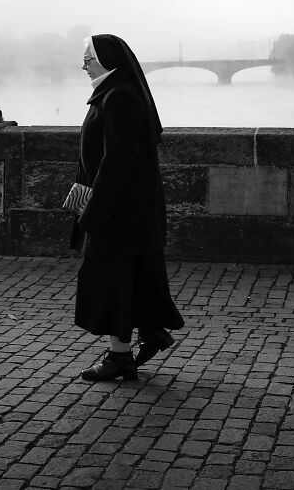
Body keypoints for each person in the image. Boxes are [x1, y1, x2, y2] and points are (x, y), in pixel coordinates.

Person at [66, 34, 184, 381]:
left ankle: (120, 356)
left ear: (105, 59)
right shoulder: (117, 91)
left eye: (88, 59)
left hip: (120, 213)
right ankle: (149, 332)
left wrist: (95, 211)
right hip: (129, 211)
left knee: (111, 279)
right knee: (131, 276)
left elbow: (116, 162)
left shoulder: (119, 97)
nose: (84, 66)